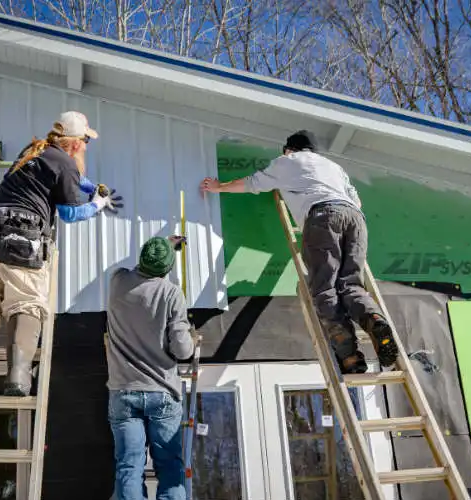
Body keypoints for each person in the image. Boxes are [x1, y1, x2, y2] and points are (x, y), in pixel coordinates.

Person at [199, 130, 398, 374]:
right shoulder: (334, 167)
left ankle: (350, 357)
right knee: (351, 285)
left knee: (324, 288)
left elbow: (253, 183)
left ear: (289, 149)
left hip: (323, 217)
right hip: (356, 220)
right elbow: (357, 203)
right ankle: (375, 320)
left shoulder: (288, 162)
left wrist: (219, 187)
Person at [0, 111, 123, 397]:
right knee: (27, 303)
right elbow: (70, 213)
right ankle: (18, 378)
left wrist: (91, 186)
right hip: (22, 237)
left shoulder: (33, 151)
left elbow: (67, 177)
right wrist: (97, 203)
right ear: (73, 144)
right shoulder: (67, 164)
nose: (86, 146)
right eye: (85, 141)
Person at [105, 235, 194, 500]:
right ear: (167, 269)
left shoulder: (118, 281)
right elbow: (183, 351)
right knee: (169, 467)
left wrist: (163, 245)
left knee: (129, 466)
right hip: (162, 392)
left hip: (123, 391)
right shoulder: (171, 293)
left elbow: (139, 270)